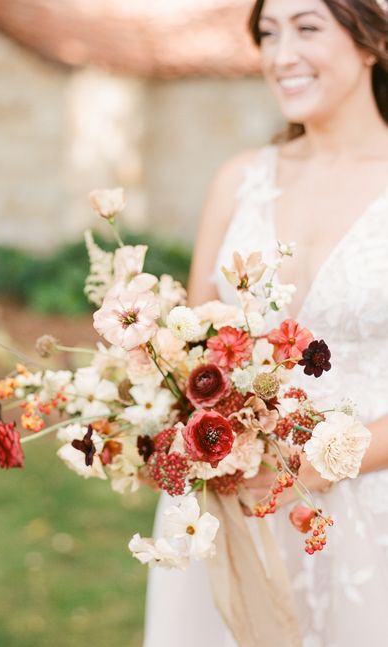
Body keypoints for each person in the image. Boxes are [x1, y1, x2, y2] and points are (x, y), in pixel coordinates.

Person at [143, 0, 388, 645]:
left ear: (371, 42)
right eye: (269, 33)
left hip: (364, 511)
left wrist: (312, 465)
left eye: (308, 28)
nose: (280, 57)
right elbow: (188, 353)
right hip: (226, 503)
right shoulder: (238, 180)